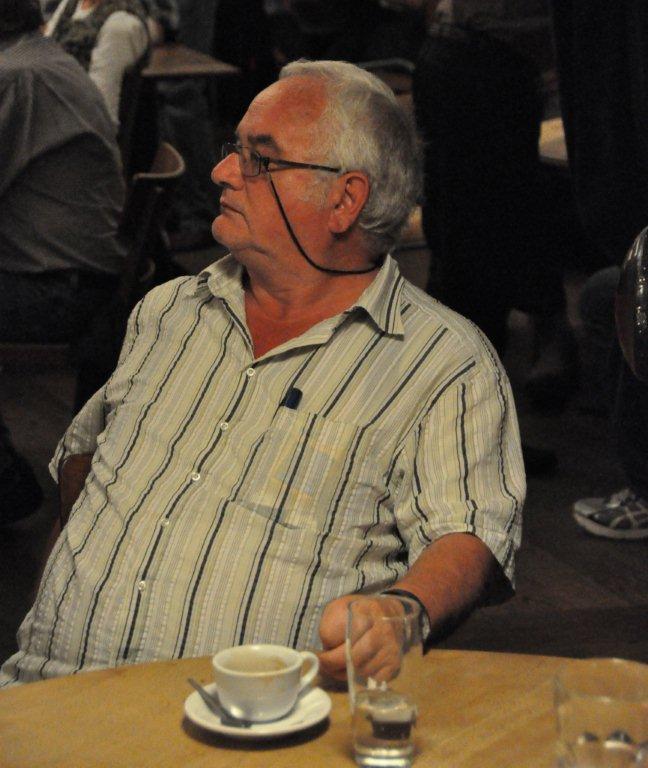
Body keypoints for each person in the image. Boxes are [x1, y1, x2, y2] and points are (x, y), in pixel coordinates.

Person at [0, 60, 524, 686]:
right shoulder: (170, 310)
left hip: (243, 719)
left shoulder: (443, 361)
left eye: (259, 159)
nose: (222, 172)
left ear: (345, 199)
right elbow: (82, 465)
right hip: (43, 693)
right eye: (234, 149)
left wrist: (403, 612)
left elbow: (469, 536)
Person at [0, 0, 126, 526]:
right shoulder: (41, 59)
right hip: (73, 277)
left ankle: (6, 486)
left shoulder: (17, 74)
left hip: (59, 290)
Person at [45, 0, 149, 128]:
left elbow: (100, 115)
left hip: (74, 129)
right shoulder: (70, 4)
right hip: (48, 113)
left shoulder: (120, 24)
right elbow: (42, 56)